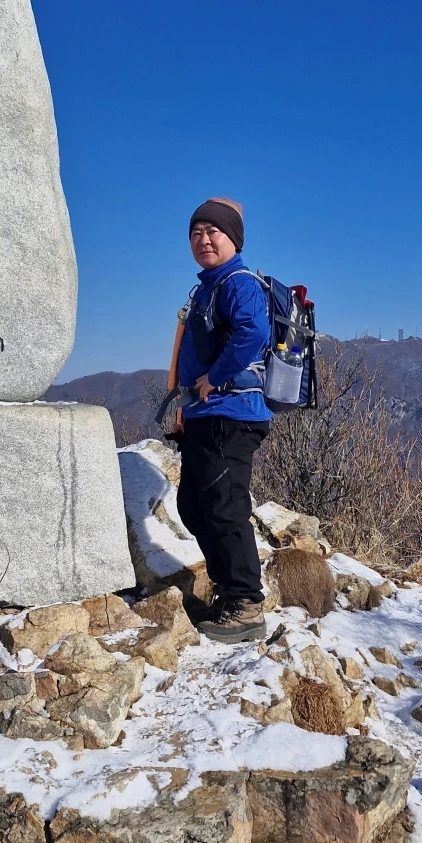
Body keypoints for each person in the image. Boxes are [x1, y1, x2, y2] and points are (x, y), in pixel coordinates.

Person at [173, 197, 270, 643]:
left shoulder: (238, 282)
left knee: (225, 508)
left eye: (213, 231)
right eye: (196, 232)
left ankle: (246, 604)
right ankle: (229, 591)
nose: (204, 239)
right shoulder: (207, 287)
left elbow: (254, 332)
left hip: (232, 415)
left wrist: (215, 377)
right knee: (194, 507)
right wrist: (184, 407)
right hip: (205, 414)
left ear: (234, 239)